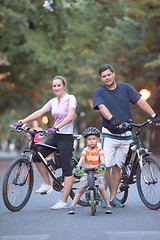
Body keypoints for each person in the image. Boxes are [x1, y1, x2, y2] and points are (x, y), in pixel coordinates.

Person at [93, 64, 160, 208]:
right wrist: (113, 119)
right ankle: (102, 195)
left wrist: (153, 115)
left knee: (117, 167)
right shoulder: (99, 92)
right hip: (109, 135)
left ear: (114, 74)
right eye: (104, 76)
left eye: (108, 75)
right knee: (107, 166)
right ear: (101, 78)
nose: (107, 78)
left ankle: (112, 198)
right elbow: (102, 108)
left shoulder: (126, 88)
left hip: (125, 135)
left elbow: (140, 101)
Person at [11, 76, 77, 210]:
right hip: (56, 136)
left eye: (59, 85)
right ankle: (47, 183)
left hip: (66, 137)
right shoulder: (53, 101)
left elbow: (70, 117)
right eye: (54, 86)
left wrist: (56, 127)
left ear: (64, 86)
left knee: (67, 169)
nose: (56, 88)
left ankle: (63, 201)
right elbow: (40, 112)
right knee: (36, 155)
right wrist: (22, 121)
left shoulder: (71, 98)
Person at [68, 127, 112, 215]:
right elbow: (82, 159)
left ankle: (108, 206)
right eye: (89, 139)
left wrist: (102, 164)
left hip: (97, 173)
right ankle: (72, 206)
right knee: (81, 189)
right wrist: (78, 166)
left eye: (93, 139)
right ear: (86, 140)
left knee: (102, 188)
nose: (91, 141)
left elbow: (102, 158)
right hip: (86, 172)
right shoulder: (85, 150)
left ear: (97, 139)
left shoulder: (99, 150)